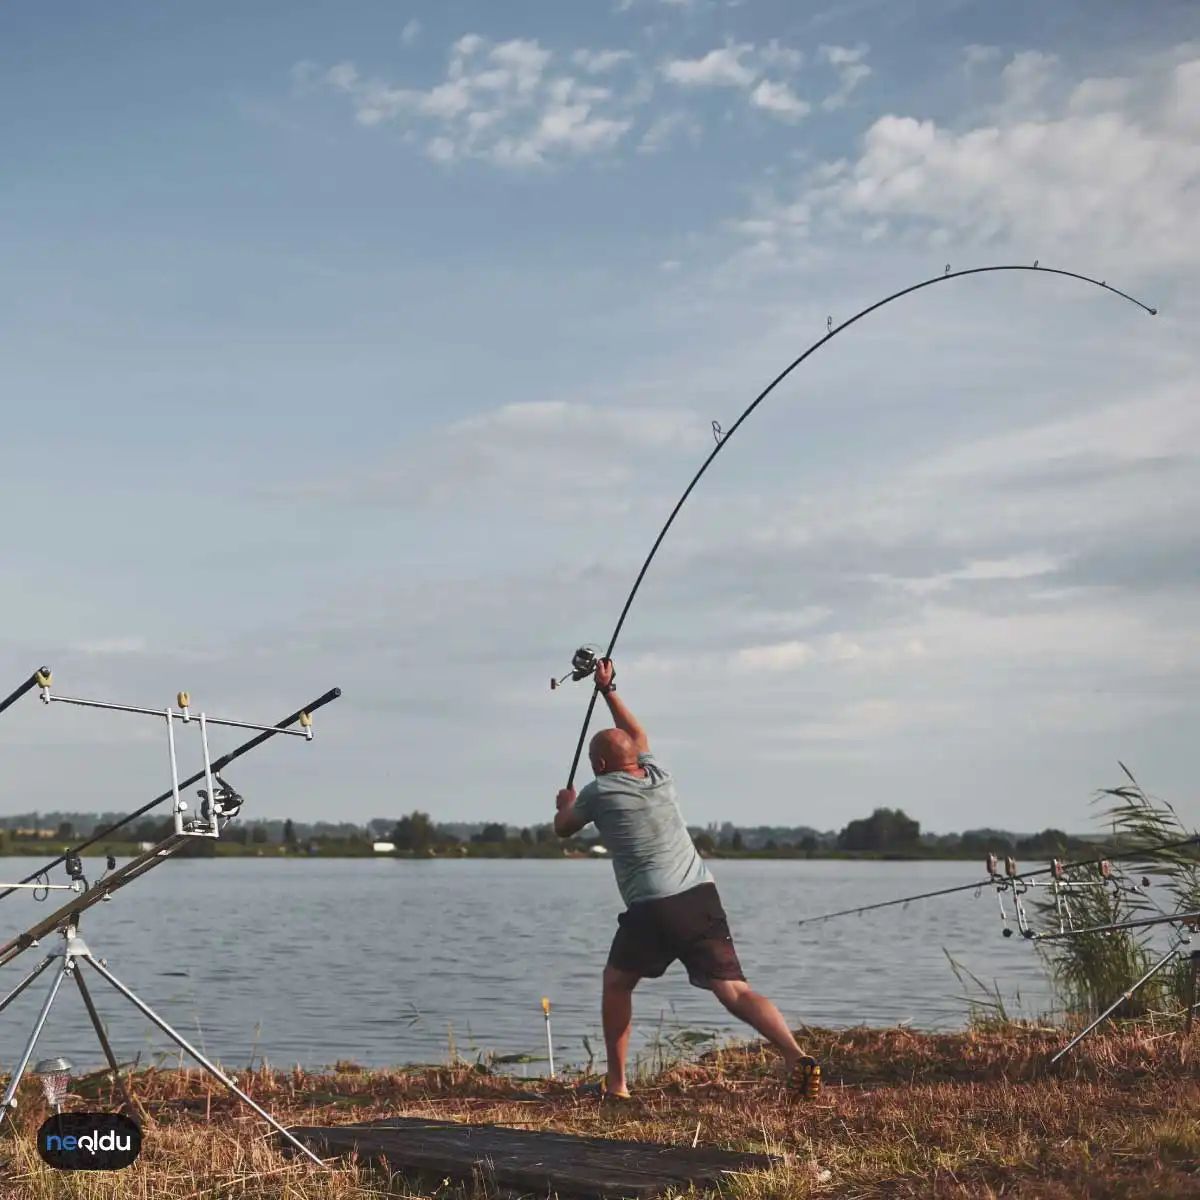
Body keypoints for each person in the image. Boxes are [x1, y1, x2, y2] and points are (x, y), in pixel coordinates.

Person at [553, 657, 820, 1101]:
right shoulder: (660, 776)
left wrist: (566, 801)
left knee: (617, 983)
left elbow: (563, 828)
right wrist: (608, 689)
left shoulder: (600, 791)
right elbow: (637, 739)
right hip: (701, 897)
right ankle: (794, 1053)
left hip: (654, 905)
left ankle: (617, 1085)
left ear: (598, 765)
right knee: (734, 989)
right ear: (635, 759)